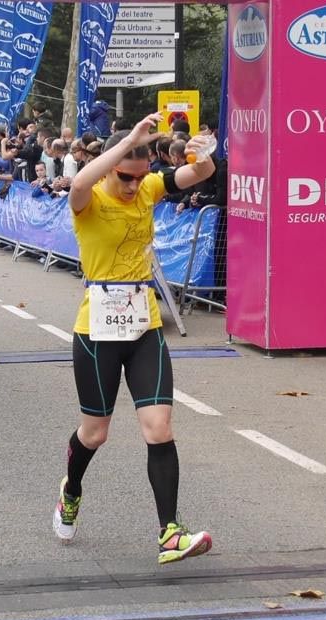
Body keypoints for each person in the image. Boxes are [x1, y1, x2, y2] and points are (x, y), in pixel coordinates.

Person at [51, 112, 218, 564]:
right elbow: (82, 181)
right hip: (97, 330)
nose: (132, 186)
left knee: (159, 428)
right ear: (111, 166)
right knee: (95, 433)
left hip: (142, 325)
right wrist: (122, 149)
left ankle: (169, 533)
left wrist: (201, 155)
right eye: (124, 177)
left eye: (139, 178)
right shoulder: (89, 200)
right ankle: (72, 489)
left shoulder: (148, 186)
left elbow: (198, 173)